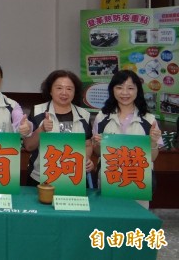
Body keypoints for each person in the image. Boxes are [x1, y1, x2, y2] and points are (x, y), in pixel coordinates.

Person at [92, 70, 162, 207]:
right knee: (109, 216)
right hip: (109, 180)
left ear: (137, 90)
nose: (125, 93)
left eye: (130, 88)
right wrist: (99, 144)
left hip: (137, 180)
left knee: (136, 217)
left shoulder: (149, 119)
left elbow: (152, 157)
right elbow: (97, 153)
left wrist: (153, 142)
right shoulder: (102, 117)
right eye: (119, 87)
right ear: (112, 90)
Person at [23, 70, 93, 187]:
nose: (64, 93)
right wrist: (42, 129)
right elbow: (28, 146)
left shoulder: (84, 115)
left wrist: (87, 159)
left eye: (69, 89)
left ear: (75, 92)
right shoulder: (38, 112)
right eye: (59, 88)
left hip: (73, 178)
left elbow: (87, 144)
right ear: (50, 90)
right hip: (41, 178)